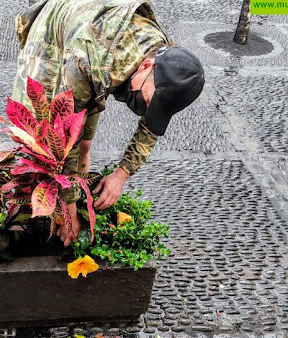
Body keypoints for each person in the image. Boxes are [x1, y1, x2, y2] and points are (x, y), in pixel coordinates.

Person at [11, 0, 205, 246]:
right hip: (54, 33)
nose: (145, 109)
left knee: (83, 144)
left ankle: (70, 189)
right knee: (36, 133)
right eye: (148, 100)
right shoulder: (87, 61)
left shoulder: (168, 60)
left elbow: (151, 125)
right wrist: (71, 215)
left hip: (99, 46)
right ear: (146, 65)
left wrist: (122, 174)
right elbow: (63, 137)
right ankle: (21, 212)